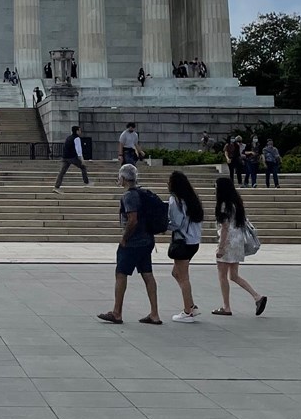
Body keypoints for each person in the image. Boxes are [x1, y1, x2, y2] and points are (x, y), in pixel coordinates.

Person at [97, 164, 161, 325]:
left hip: (134, 242)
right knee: (147, 274)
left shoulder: (129, 196)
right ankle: (155, 313)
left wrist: (125, 238)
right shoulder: (142, 193)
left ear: (124, 179)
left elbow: (132, 219)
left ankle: (117, 312)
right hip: (147, 240)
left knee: (121, 273)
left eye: (119, 177)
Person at [213, 177, 266, 317]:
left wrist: (221, 247)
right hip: (238, 241)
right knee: (234, 275)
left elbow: (224, 228)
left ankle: (226, 306)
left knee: (222, 275)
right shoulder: (236, 203)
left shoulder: (223, 205)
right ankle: (257, 296)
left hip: (228, 241)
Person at [166, 170, 204, 323]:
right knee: (176, 273)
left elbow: (176, 222)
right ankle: (191, 305)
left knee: (183, 276)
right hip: (193, 241)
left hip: (183, 241)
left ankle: (188, 311)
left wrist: (164, 226)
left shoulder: (176, 200)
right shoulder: (192, 199)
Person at [54, 125, 90, 192]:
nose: (80, 132)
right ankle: (86, 182)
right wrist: (82, 160)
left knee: (62, 172)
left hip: (65, 157)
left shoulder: (68, 138)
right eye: (79, 130)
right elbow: (79, 150)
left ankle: (56, 187)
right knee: (83, 167)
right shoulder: (76, 138)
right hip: (72, 157)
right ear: (77, 131)